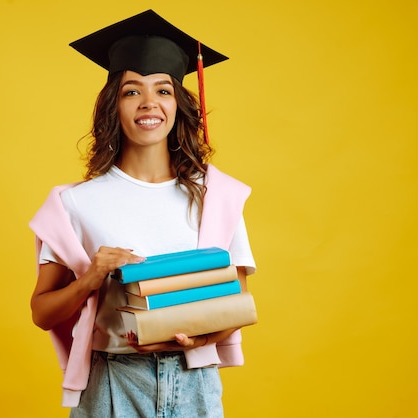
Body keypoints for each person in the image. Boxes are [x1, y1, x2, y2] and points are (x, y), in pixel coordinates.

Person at [29, 9, 257, 417]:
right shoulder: (75, 203)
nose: (149, 103)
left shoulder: (216, 196)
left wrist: (200, 340)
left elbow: (234, 305)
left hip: (195, 385)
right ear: (113, 105)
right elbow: (42, 312)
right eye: (132, 91)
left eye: (163, 90)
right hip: (114, 382)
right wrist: (91, 279)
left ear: (179, 104)